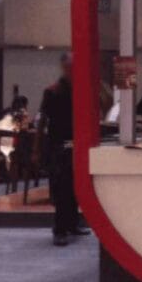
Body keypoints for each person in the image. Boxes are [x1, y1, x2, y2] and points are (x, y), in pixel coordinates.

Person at [38, 53, 88, 246]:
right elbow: (43, 120)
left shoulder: (81, 89)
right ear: (64, 67)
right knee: (62, 188)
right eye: (70, 66)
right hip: (58, 145)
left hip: (77, 143)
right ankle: (59, 230)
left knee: (76, 186)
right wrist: (37, 148)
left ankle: (72, 224)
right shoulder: (52, 91)